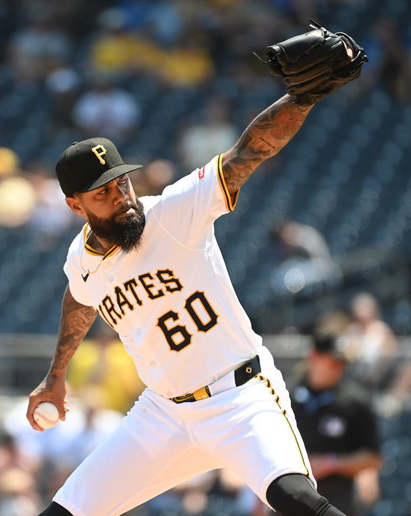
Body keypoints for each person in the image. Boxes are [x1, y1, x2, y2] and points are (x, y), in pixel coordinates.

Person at [27, 25, 367, 515]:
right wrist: (56, 374)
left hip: (240, 397)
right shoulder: (80, 259)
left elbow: (247, 152)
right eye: (104, 193)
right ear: (75, 205)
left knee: (294, 499)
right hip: (162, 413)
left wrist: (302, 98)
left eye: (122, 183)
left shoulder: (172, 213)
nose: (122, 197)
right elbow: (80, 297)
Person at [288, 335, 383, 516]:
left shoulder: (355, 402)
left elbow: (373, 458)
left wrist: (330, 463)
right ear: (314, 357)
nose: (339, 369)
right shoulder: (286, 394)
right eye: (333, 362)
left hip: (336, 498)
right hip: (290, 496)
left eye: (342, 363)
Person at [340, 292, 397, 390]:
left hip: (379, 379)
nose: (361, 313)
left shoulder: (381, 329)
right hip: (354, 378)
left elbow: (391, 353)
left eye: (364, 308)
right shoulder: (353, 329)